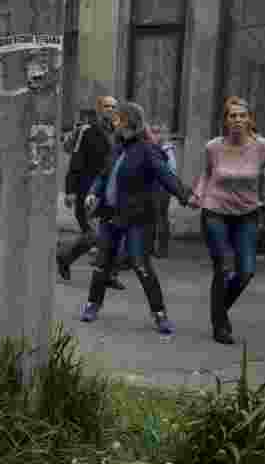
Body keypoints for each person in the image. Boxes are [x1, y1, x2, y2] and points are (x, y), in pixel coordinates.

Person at [79, 102, 193, 337]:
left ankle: (159, 314)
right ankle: (93, 305)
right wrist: (93, 193)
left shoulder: (147, 150)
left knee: (141, 265)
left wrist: (185, 196)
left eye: (118, 119)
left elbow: (165, 175)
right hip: (110, 215)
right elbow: (103, 176)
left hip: (137, 218)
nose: (114, 123)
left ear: (130, 121)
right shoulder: (117, 148)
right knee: (102, 264)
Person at [189, 97, 265, 345]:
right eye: (232, 116)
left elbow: (264, 172)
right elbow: (207, 174)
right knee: (223, 268)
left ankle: (218, 310)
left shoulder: (263, 147)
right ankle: (220, 326)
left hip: (247, 213)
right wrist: (198, 193)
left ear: (250, 119)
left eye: (242, 115)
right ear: (225, 121)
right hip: (215, 211)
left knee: (246, 272)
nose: (237, 120)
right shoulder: (213, 146)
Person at [57, 95, 124, 288]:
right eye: (107, 106)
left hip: (112, 192)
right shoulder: (88, 131)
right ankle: (64, 257)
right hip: (88, 191)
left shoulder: (119, 133)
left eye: (113, 106)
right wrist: (70, 190)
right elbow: (76, 160)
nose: (110, 110)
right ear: (99, 109)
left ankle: (109, 274)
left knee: (112, 233)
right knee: (93, 234)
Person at [148, 123, 177, 258]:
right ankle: (151, 247)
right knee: (153, 218)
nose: (154, 135)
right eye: (153, 132)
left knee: (161, 218)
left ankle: (162, 248)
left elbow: (171, 169)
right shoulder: (155, 148)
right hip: (154, 187)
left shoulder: (166, 149)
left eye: (157, 132)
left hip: (162, 188)